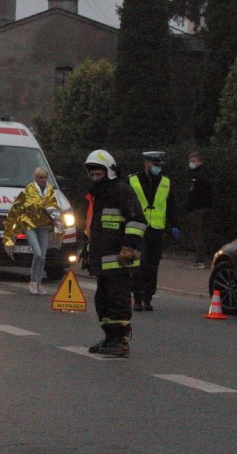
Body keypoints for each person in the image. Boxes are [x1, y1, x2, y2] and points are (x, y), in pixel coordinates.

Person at [82, 150, 147, 357]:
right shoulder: (99, 194)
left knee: (118, 300)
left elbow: (137, 221)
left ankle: (121, 341)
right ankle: (110, 337)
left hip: (119, 259)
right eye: (92, 174)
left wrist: (128, 247)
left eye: (98, 174)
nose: (94, 178)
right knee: (103, 301)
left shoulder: (122, 191)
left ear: (109, 171)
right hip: (103, 259)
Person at [128, 151, 179, 312]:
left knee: (152, 265)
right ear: (147, 163)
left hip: (157, 229)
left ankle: (148, 298)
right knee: (139, 263)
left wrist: (174, 225)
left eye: (159, 166)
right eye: (155, 165)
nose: (158, 168)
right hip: (138, 228)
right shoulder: (133, 180)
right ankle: (137, 297)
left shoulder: (165, 182)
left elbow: (171, 205)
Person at [2, 167, 62, 295]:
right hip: (29, 225)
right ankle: (33, 281)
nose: (42, 180)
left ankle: (38, 283)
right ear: (35, 178)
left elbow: (55, 206)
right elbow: (17, 207)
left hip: (44, 226)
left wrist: (57, 225)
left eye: (44, 177)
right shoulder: (29, 189)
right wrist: (10, 229)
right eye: (40, 177)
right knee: (38, 253)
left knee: (42, 256)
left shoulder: (50, 189)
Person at [186, 151, 213, 269]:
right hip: (205, 207)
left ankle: (200, 260)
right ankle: (202, 258)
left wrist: (190, 206)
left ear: (199, 161)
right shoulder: (205, 173)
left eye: (193, 161)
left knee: (198, 235)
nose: (191, 164)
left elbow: (194, 194)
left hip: (198, 208)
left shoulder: (198, 175)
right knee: (202, 233)